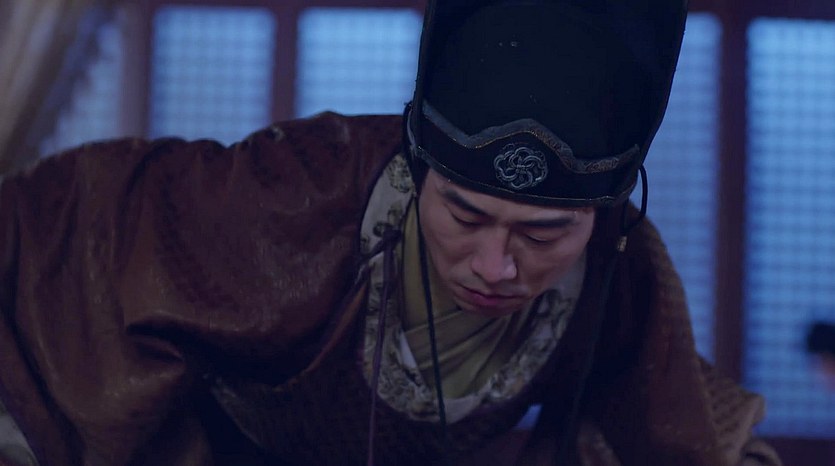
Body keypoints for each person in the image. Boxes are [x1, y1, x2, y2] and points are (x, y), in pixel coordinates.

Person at [0, 0, 781, 464]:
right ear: (417, 175)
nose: (495, 266)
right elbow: (76, 224)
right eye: (464, 216)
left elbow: (681, 422)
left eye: (542, 235)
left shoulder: (618, 266)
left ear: (598, 218)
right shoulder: (295, 192)